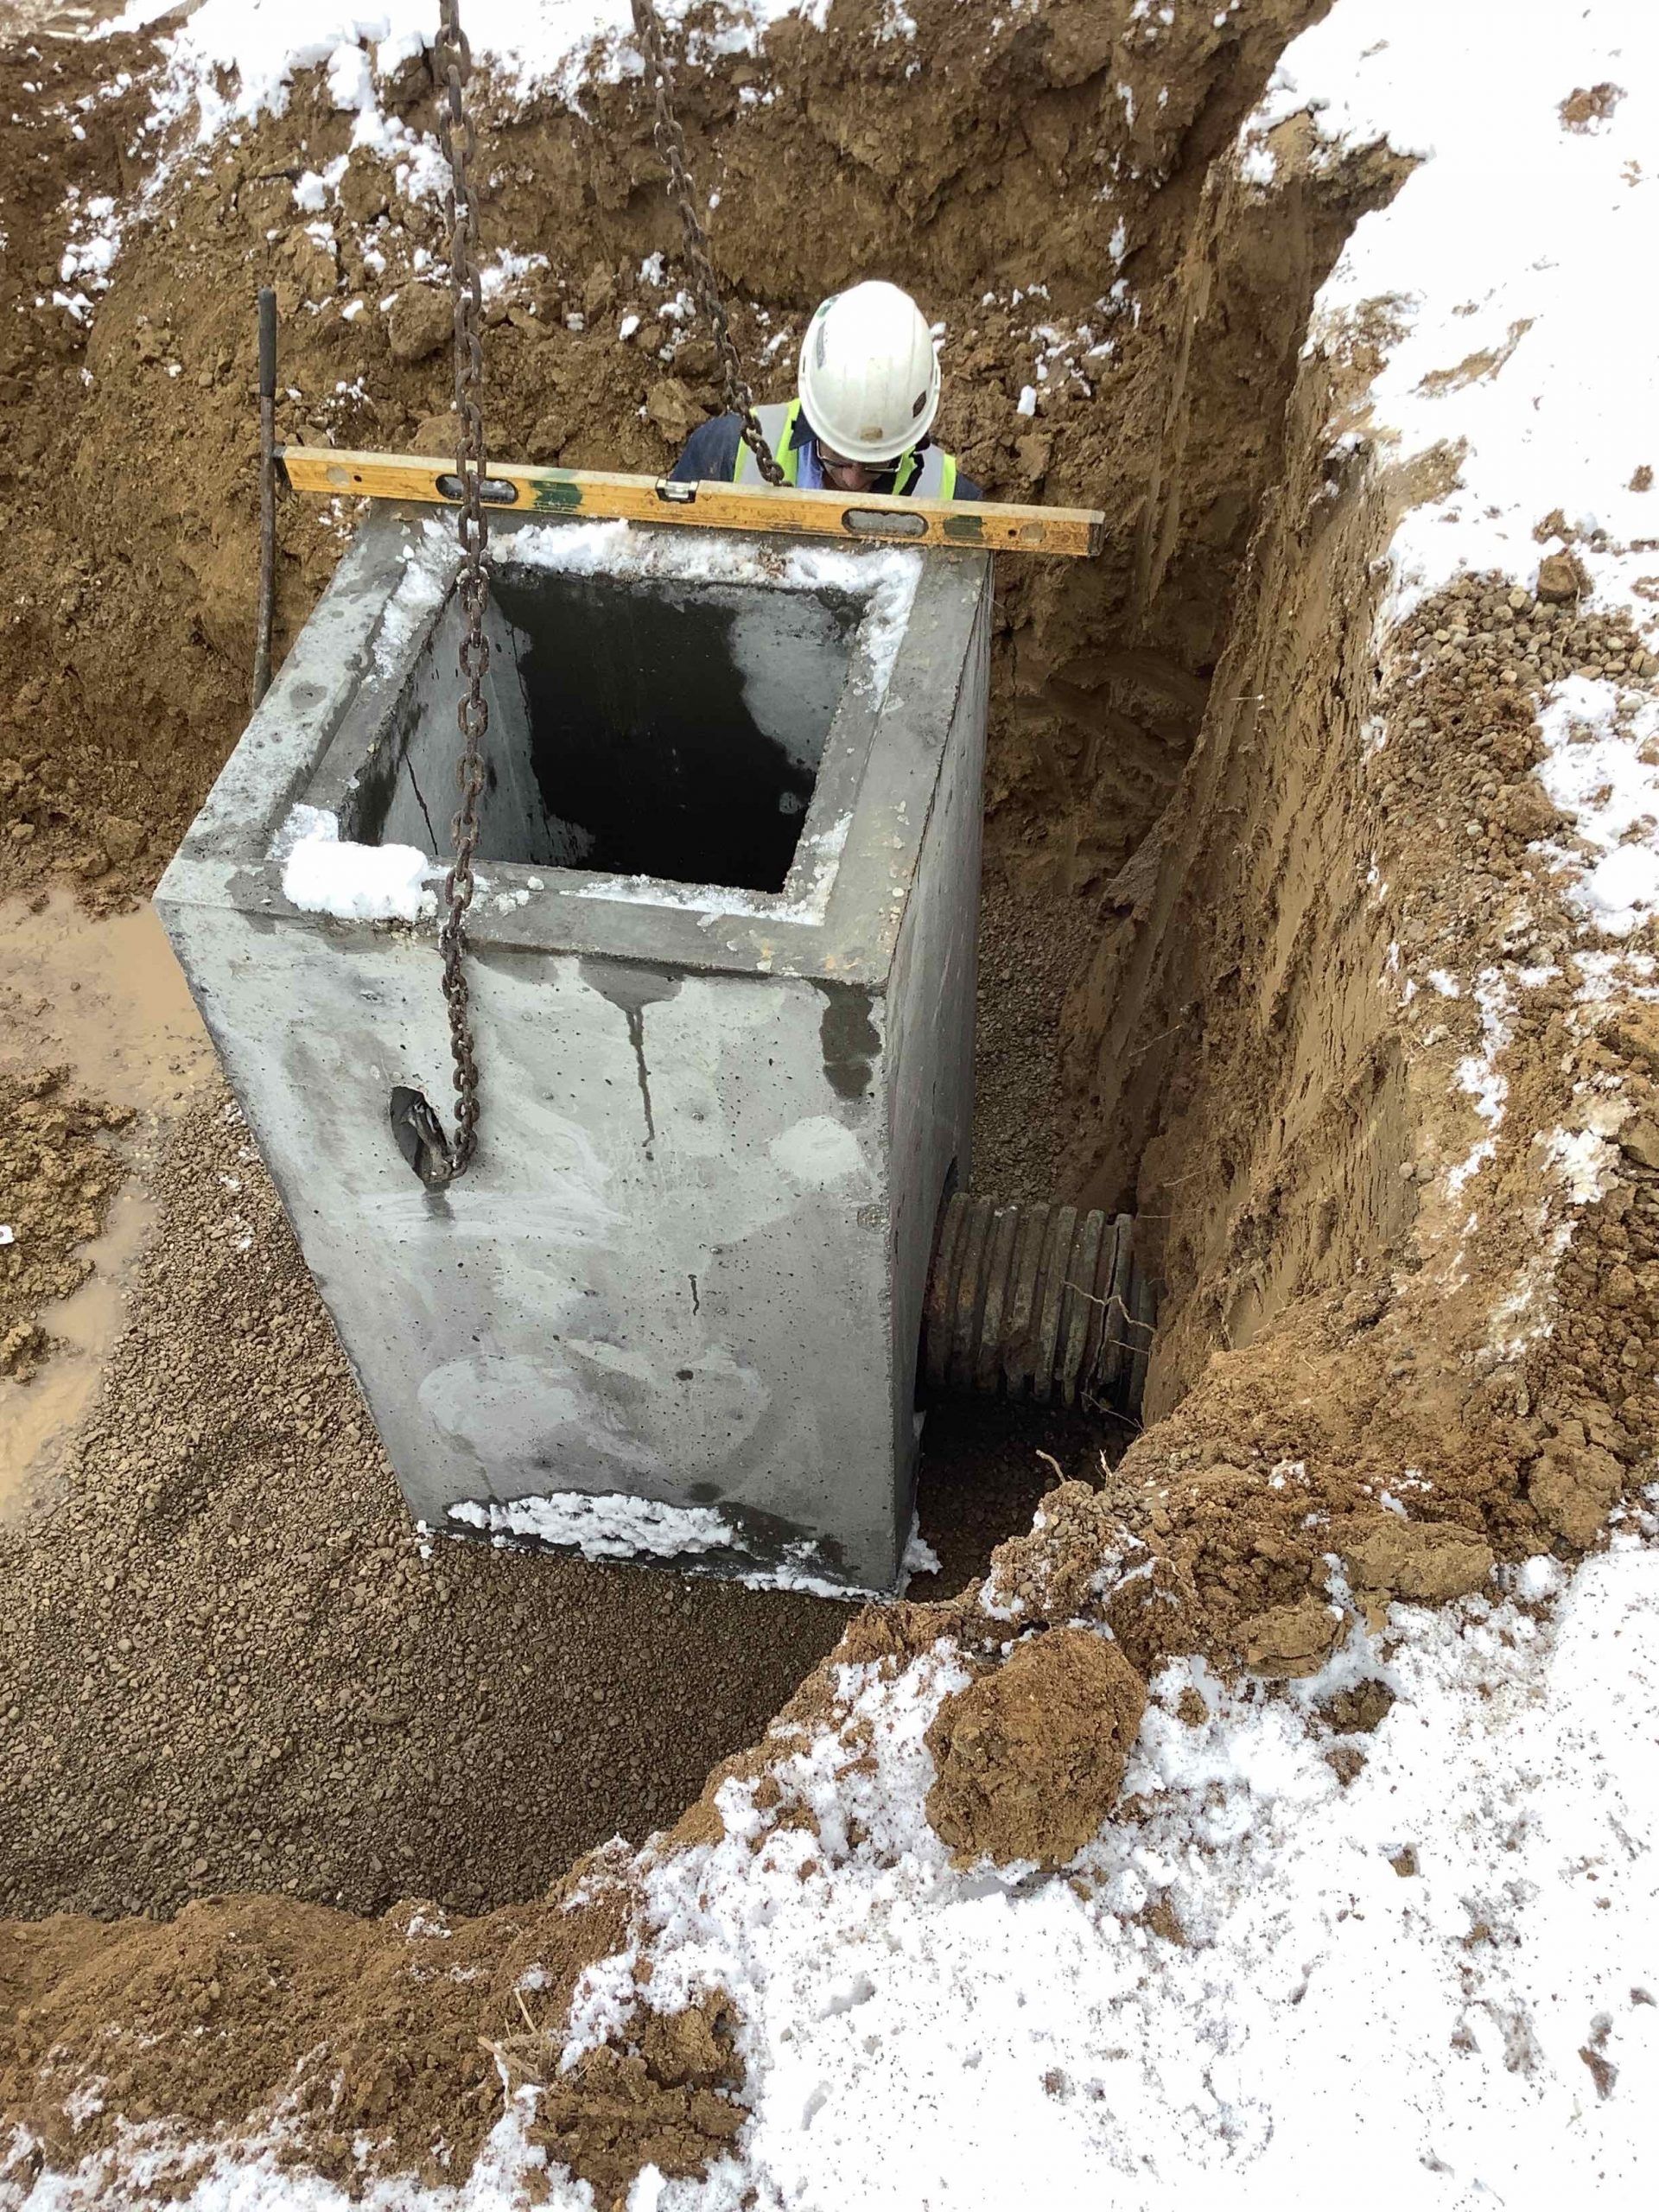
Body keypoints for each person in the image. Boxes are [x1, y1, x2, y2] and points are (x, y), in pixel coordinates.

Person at [670, 279, 982, 501]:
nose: (853, 479)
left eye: (878, 462)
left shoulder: (949, 497)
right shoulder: (727, 453)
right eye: (839, 458)